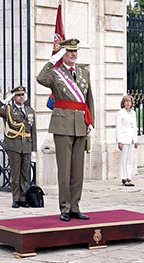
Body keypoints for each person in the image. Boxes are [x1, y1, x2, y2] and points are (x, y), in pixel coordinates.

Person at [37, 38, 94, 222]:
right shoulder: (55, 73)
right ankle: (65, 207)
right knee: (64, 169)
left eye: (75, 51)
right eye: (69, 51)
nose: (73, 54)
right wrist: (54, 59)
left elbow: (89, 100)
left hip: (80, 124)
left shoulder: (84, 73)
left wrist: (90, 121)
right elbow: (40, 79)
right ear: (64, 53)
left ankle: (75, 206)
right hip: (62, 125)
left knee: (78, 170)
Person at [0, 86, 37, 208]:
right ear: (14, 97)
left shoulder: (30, 110)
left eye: (23, 95)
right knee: (15, 173)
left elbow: (33, 131)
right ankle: (16, 198)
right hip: (14, 144)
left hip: (26, 144)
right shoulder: (9, 110)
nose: (21, 97)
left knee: (25, 173)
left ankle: (23, 198)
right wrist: (5, 101)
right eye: (18, 95)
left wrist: (34, 149)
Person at [116, 95, 139, 186]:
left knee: (130, 160)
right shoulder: (120, 113)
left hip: (131, 139)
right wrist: (119, 141)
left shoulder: (133, 113)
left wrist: (136, 140)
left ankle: (129, 176)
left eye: (129, 101)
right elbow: (118, 127)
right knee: (123, 159)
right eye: (126, 101)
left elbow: (134, 127)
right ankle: (123, 177)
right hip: (124, 138)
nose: (128, 103)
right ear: (123, 103)